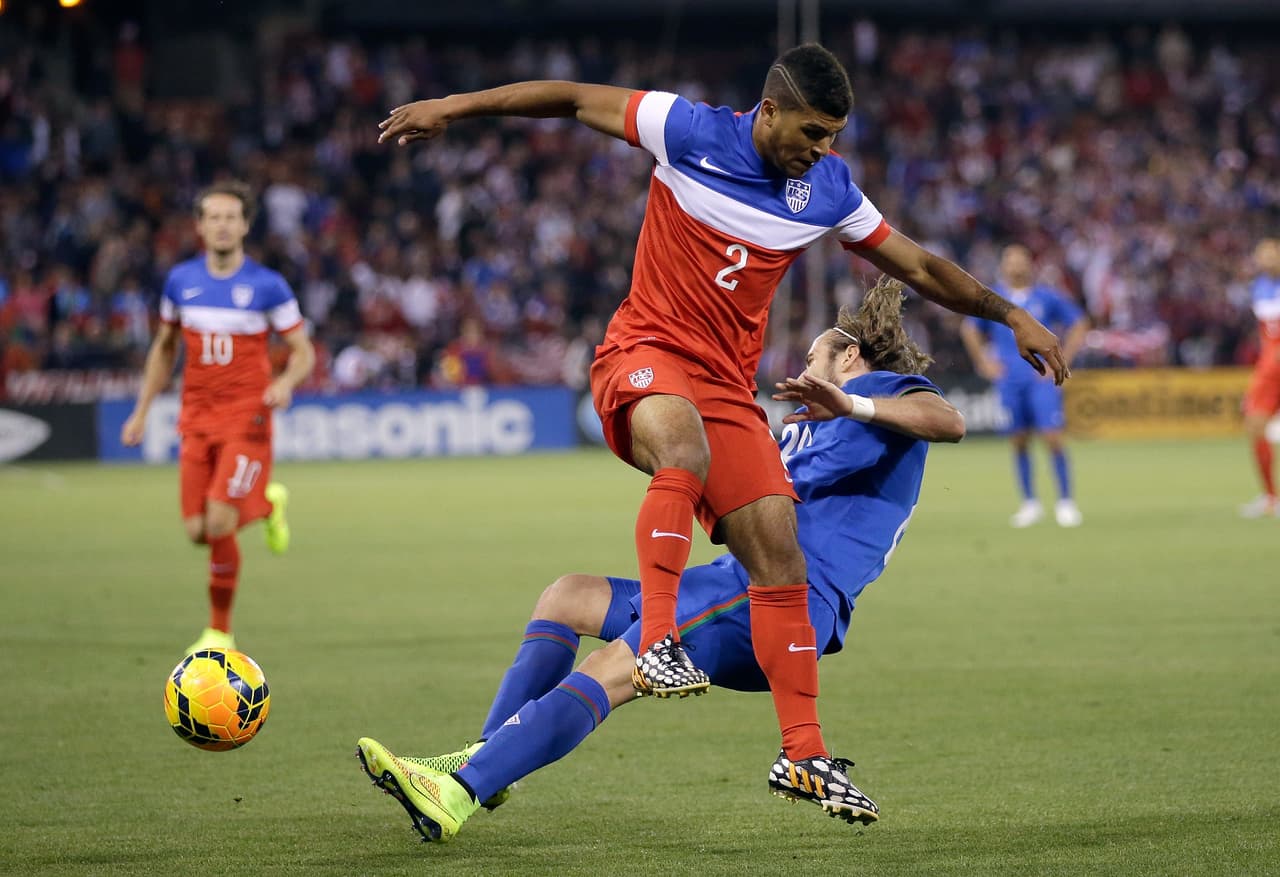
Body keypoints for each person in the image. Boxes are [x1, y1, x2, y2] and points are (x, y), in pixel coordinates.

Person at [378, 43, 1065, 794]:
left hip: (727, 389)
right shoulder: (685, 129)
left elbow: (923, 268)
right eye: (810, 132)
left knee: (777, 550)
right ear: (768, 111)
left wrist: (1011, 315)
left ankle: (801, 751)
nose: (822, 150)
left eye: (833, 135)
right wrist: (453, 106)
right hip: (647, 351)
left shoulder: (828, 189)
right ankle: (658, 641)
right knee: (683, 449)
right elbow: (572, 98)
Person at [354, 277, 966, 841]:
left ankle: (458, 793)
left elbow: (948, 419)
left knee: (620, 663)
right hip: (733, 583)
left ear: (850, 357)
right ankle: (491, 759)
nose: (804, 369)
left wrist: (854, 403)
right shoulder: (812, 421)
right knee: (567, 596)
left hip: (783, 600)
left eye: (814, 357)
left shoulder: (874, 396)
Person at [121, 181, 316, 654]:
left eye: (232, 217)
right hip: (196, 418)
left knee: (220, 522)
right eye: (214, 217)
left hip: (247, 419)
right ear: (200, 226)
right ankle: (268, 505)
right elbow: (165, 348)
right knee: (197, 532)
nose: (223, 225)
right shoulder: (179, 283)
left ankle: (219, 631)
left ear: (246, 225)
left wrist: (285, 384)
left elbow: (302, 351)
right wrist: (142, 409)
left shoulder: (268, 286)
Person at [960, 244, 1089, 528]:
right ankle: (1030, 503)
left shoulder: (1047, 296)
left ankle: (1066, 502)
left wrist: (1063, 358)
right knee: (1018, 440)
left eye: (1021, 260)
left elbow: (1079, 323)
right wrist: (983, 362)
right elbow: (969, 328)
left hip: (1040, 379)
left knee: (1053, 437)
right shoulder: (994, 298)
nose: (1016, 265)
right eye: (1010, 260)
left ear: (1030, 264)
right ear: (1003, 266)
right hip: (1009, 380)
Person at [1240, 238, 1280, 518]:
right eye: (1260, 254)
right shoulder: (1259, 287)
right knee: (1254, 425)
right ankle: (1270, 497)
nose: (1265, 259)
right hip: (1271, 367)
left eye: (1270, 254)